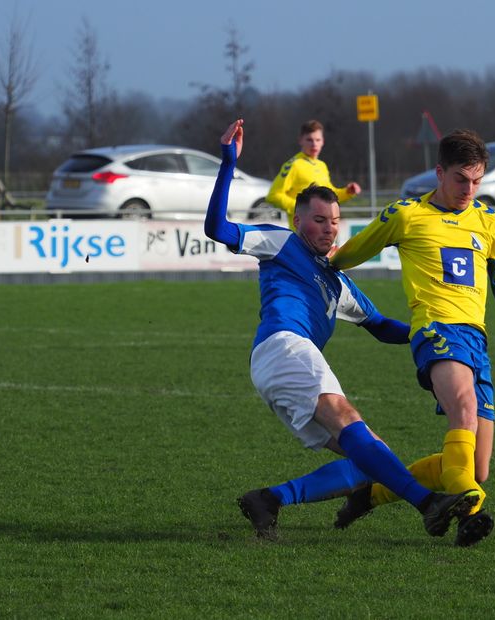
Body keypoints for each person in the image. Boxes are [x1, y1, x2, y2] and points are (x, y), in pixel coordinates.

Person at [205, 119, 479, 541]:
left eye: (334, 221)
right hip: (285, 347)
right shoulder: (281, 242)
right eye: (317, 219)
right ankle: (428, 504)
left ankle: (270, 499)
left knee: (369, 458)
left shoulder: (338, 281)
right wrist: (228, 164)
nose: (328, 227)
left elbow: (382, 327)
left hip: (283, 366)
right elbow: (218, 230)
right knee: (352, 424)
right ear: (297, 219)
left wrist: (431, 331)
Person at [329, 128, 495, 547]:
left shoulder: (490, 223)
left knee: (475, 466)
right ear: (439, 172)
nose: (469, 190)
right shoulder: (406, 216)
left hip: (476, 341)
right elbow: (343, 258)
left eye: (477, 181)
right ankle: (471, 510)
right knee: (465, 412)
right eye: (460, 179)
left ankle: (371, 494)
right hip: (436, 330)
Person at [265, 120, 362, 226]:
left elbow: (328, 196)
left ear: (323, 142)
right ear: (300, 140)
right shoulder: (294, 165)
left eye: (317, 140)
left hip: (322, 233)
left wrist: (347, 192)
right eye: (309, 140)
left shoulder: (321, 165)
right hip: (301, 234)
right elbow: (273, 196)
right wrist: (303, 209)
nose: (314, 144)